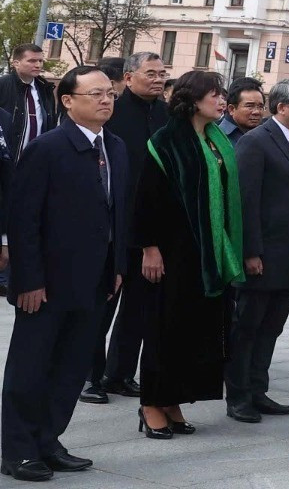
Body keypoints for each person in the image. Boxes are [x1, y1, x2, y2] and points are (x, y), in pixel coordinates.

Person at [1, 66, 127, 481]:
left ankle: (48, 439)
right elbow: (24, 220)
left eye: (109, 93)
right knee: (31, 366)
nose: (106, 100)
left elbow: (118, 215)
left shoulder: (117, 148)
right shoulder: (49, 149)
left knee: (72, 367)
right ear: (68, 101)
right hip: (48, 283)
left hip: (95, 280)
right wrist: (28, 280)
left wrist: (118, 268)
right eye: (95, 94)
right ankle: (18, 449)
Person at [132, 70, 244, 439]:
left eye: (222, 93)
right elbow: (147, 199)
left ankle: (173, 400)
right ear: (193, 99)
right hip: (173, 251)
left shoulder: (215, 140)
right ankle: (151, 403)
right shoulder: (166, 141)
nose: (221, 99)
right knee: (166, 328)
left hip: (208, 253)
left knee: (194, 330)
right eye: (214, 93)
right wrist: (150, 248)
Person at [227, 79, 289, 423]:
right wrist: (251, 251)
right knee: (248, 326)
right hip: (262, 254)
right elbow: (245, 201)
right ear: (282, 108)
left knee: (271, 327)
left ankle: (258, 389)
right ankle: (238, 396)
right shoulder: (255, 142)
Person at [89, 52, 167, 404]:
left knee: (138, 308)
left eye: (162, 73)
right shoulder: (114, 114)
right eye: (150, 73)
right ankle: (90, 377)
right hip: (115, 227)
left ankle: (119, 373)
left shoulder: (165, 115)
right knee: (102, 305)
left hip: (151, 226)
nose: (158, 78)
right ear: (130, 77)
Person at [217, 78, 268, 143]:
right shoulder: (217, 137)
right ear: (231, 109)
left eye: (260, 107)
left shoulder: (266, 135)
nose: (257, 112)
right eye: (250, 106)